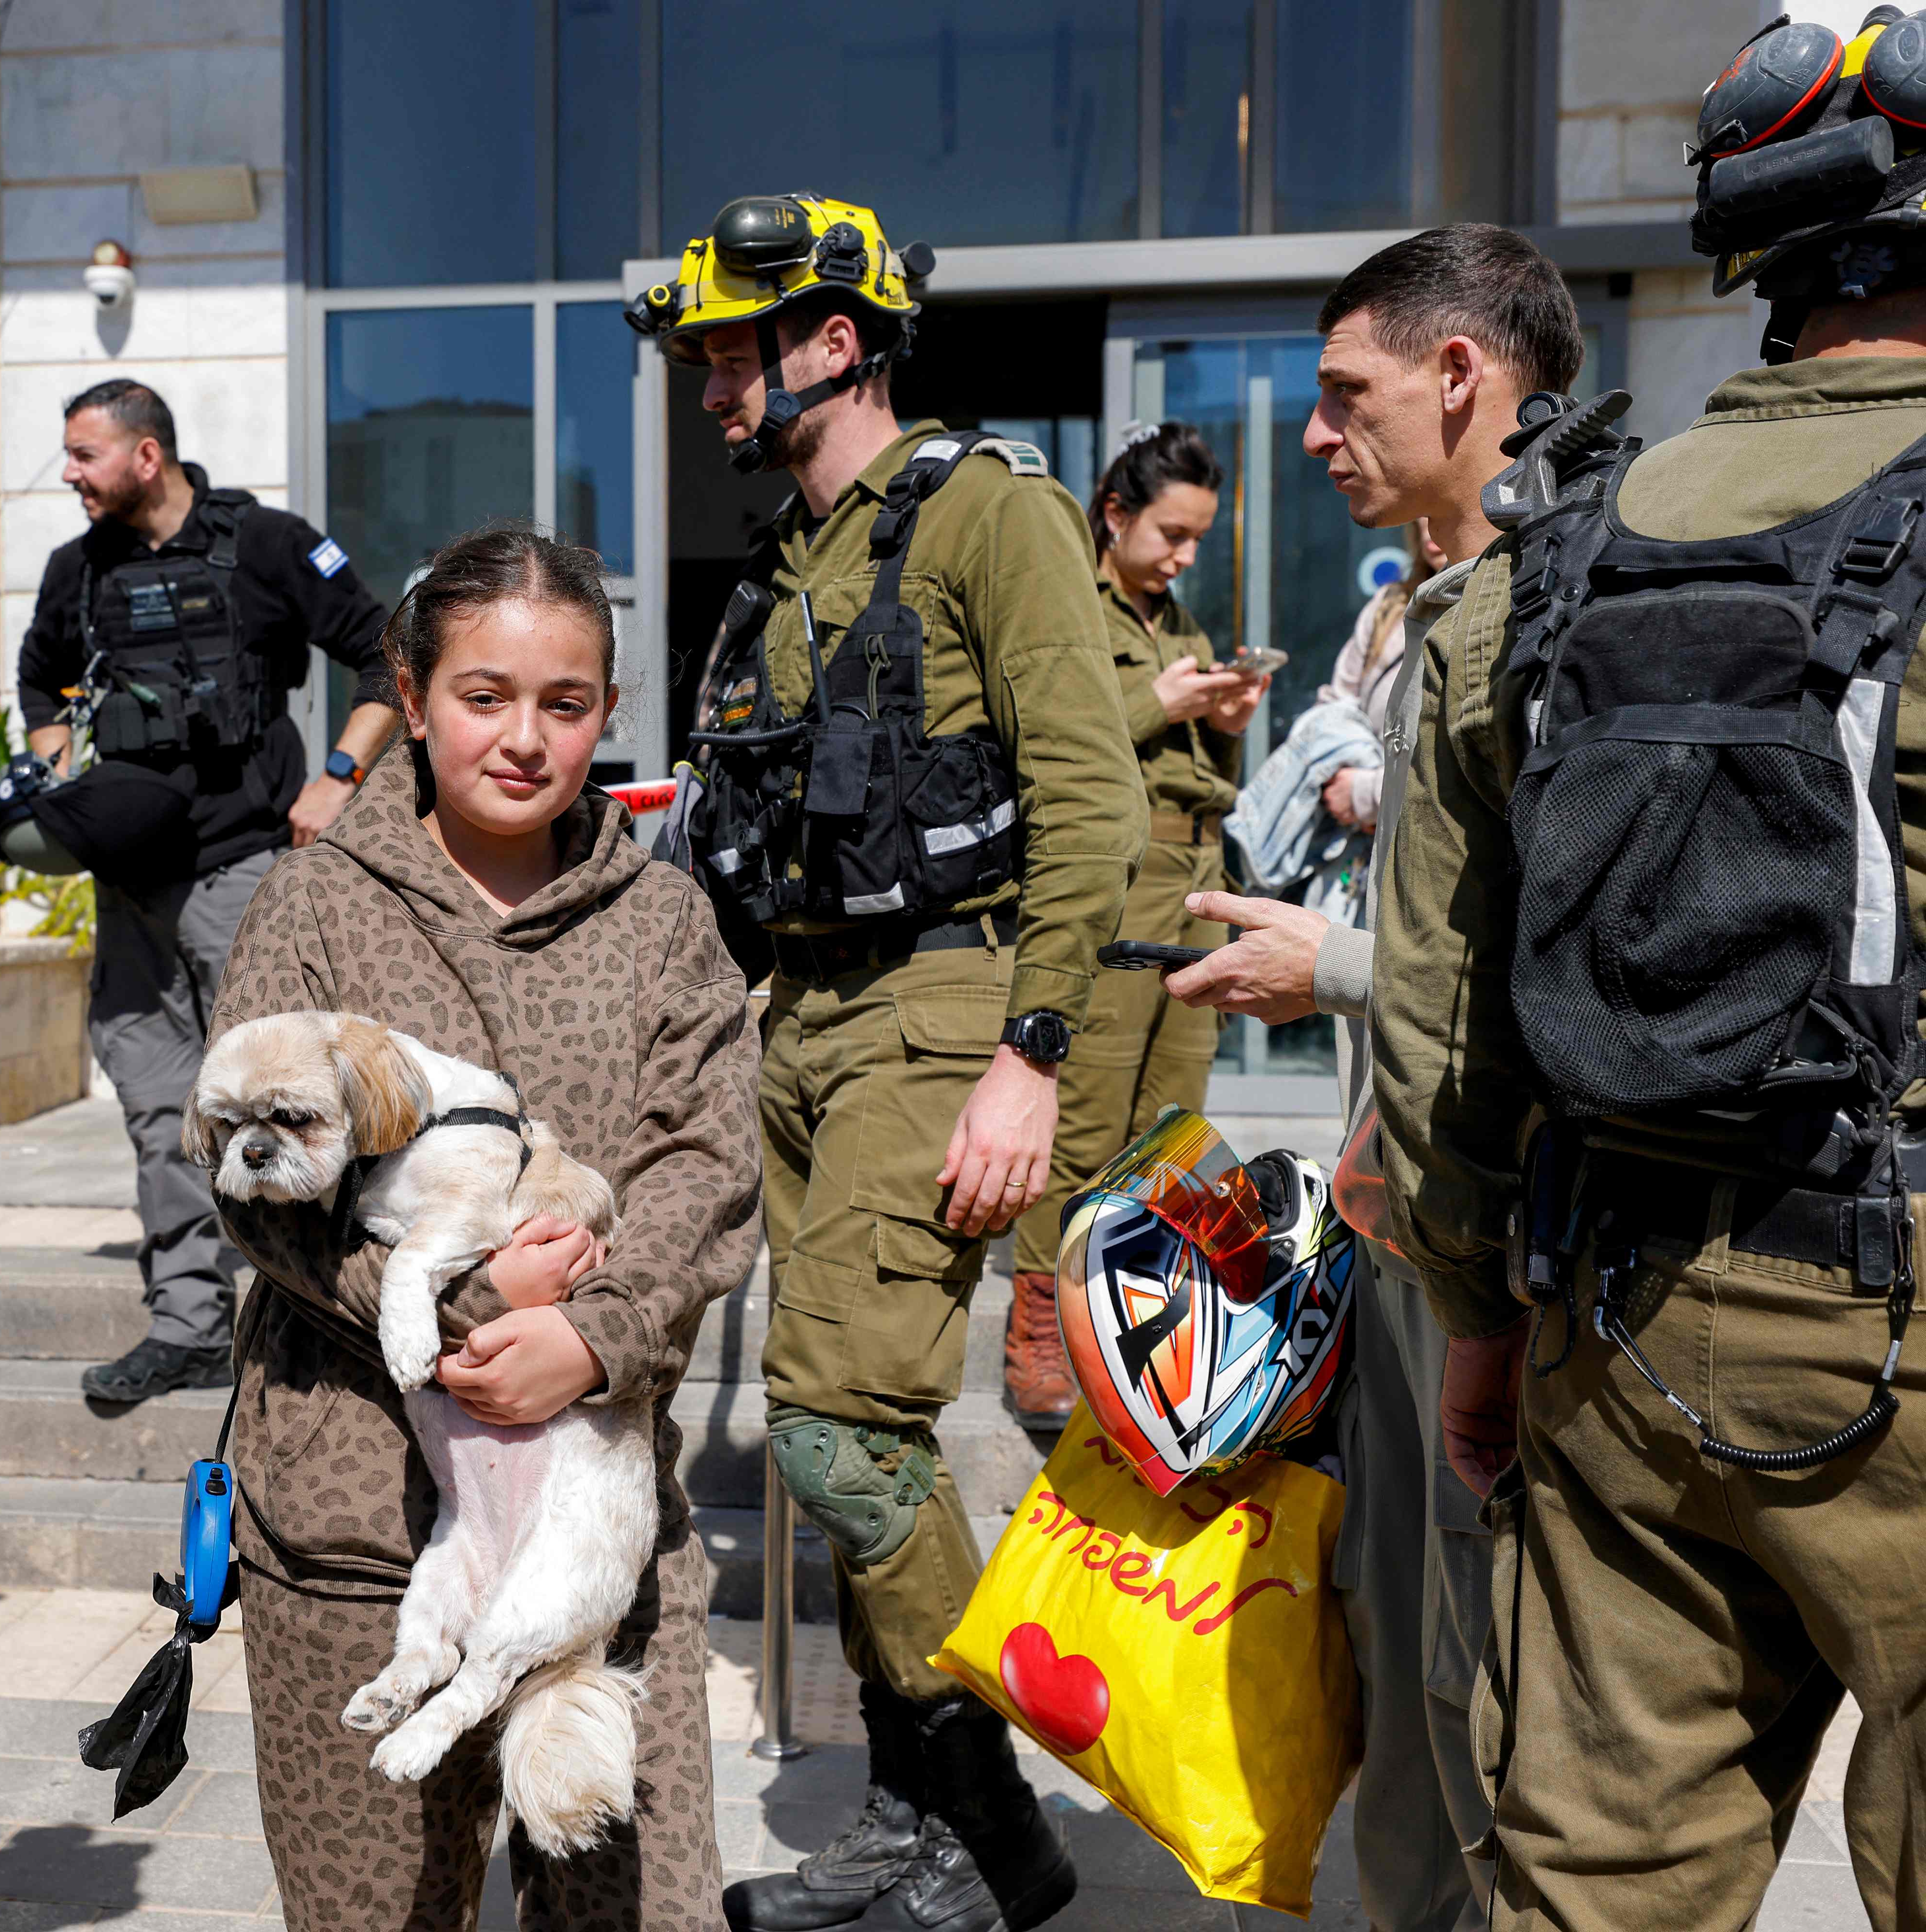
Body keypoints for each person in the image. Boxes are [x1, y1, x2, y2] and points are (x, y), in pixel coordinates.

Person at [1376, 18, 1926, 1921]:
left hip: (1607, 1323)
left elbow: (1441, 1007)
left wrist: (1470, 1306)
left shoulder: (1547, 563)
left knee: (1598, 1892)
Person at [630, 192, 1142, 1932]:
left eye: (727, 355)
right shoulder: (788, 556)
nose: (708, 390)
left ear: (833, 341)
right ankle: (917, 1826)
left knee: (842, 1434)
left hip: (940, 1012)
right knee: (858, 1434)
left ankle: (989, 1819)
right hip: (803, 1019)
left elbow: (1094, 797)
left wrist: (1032, 1054)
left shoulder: (986, 518)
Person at [203, 525, 759, 1928]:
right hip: (354, 1524)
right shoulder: (317, 905)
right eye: (483, 695)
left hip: (596, 1516)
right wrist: (455, 1308)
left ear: (607, 714)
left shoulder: (666, 920)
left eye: (563, 704)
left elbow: (709, 1172)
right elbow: (241, 1169)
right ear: (412, 687)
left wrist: (592, 1336)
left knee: (638, 1903)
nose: (523, 738)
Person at [1166, 224, 1580, 1932]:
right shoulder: (1419, 615)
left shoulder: (1580, 613)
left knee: (1487, 1665)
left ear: (1463, 377)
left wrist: (1323, 965)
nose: (1318, 433)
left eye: (1348, 396)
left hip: (1510, 1252)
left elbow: (1562, 967)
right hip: (1396, 1213)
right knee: (1403, 1636)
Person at [15, 378, 399, 1404]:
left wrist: (340, 778)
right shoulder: (76, 570)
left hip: (243, 874)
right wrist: (60, 778)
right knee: (157, 1107)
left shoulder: (269, 543)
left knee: (282, 1102)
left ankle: (325, 1316)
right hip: (129, 883)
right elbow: (42, 682)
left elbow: (384, 652)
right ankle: (188, 1318)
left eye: (84, 455)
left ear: (146, 456)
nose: (69, 475)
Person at [1002, 421, 1261, 1427]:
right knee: (1084, 1114)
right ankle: (1038, 1329)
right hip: (1119, 872)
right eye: (1172, 532)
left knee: (1170, 1118)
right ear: (1114, 514)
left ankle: (1133, 1317)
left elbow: (1200, 773)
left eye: (1199, 536)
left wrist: (1224, 725)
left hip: (1200, 868)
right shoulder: (1069, 603)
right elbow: (1048, 730)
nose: (1186, 555)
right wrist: (1157, 700)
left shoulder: (1181, 621)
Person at [1314, 519, 1443, 838]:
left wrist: (1367, 793)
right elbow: (1336, 705)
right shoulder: (1390, 604)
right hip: (1363, 836)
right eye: (1422, 516)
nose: (1429, 530)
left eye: (1440, 511)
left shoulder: (1498, 604)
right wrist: (1342, 773)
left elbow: (1460, 759)